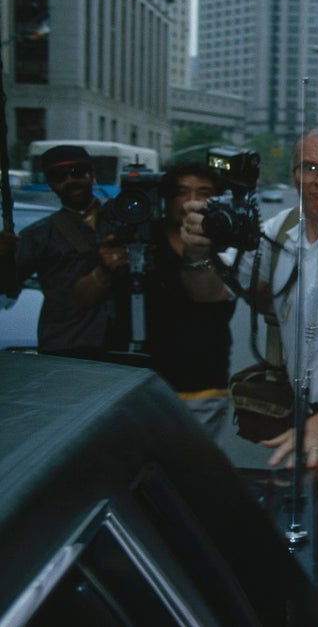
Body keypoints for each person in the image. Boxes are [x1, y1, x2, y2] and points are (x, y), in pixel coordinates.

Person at [180, 125, 318, 472]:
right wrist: (197, 254)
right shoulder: (282, 229)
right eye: (308, 167)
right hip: (303, 421)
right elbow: (207, 293)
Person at [143, 163, 237, 442]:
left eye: (203, 193)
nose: (192, 201)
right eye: (181, 192)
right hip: (142, 382)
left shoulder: (228, 243)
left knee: (194, 472)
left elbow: (216, 299)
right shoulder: (141, 238)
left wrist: (199, 253)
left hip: (202, 381)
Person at [5, 145, 125, 356]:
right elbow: (7, 287)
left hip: (124, 343)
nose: (70, 181)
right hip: (67, 345)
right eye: (58, 176)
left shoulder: (123, 219)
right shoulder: (37, 236)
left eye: (77, 172)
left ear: (92, 174)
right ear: (50, 184)